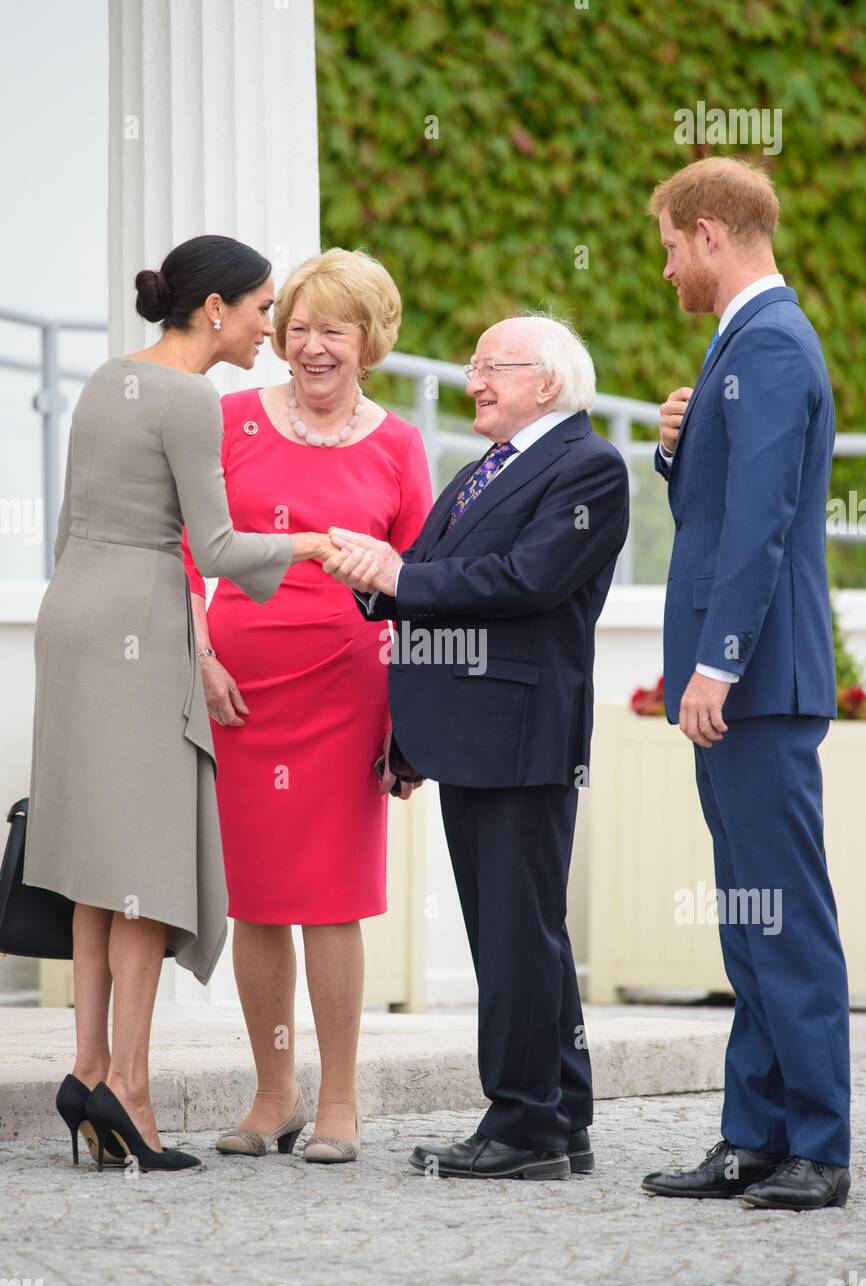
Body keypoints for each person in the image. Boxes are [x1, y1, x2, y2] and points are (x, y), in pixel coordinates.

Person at [26, 235, 336, 1173]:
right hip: (139, 624)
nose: (270, 328)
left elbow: (70, 528)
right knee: (146, 868)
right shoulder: (191, 396)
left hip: (72, 613)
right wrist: (318, 545)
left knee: (92, 862)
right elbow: (222, 545)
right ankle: (131, 1089)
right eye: (261, 309)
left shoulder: (105, 379)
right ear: (213, 310)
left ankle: (89, 1073)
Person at [324, 313, 629, 1180]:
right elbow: (420, 578)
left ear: (549, 381)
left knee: (517, 933)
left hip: (525, 736)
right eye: (474, 365)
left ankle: (522, 1122)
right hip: (472, 735)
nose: (474, 380)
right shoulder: (481, 469)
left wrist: (401, 577)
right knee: (521, 930)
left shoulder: (590, 466)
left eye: (493, 366)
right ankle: (560, 1113)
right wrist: (372, 577)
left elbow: (526, 580)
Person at [181, 248, 432, 1164]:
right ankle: (274, 1091)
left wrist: (412, 711)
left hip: (349, 692)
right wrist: (200, 654)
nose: (311, 346)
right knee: (256, 899)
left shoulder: (401, 443)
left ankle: (341, 1100)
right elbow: (182, 548)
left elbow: (421, 583)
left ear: (369, 340)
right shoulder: (230, 419)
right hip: (239, 691)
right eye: (297, 328)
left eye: (334, 329)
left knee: (331, 900)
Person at [643, 157, 850, 1211]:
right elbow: (723, 503)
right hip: (745, 679)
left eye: (671, 243)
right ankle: (755, 1136)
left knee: (784, 915)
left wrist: (715, 663)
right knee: (747, 911)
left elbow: (766, 523)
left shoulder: (766, 342)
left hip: (756, 680)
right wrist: (677, 451)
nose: (667, 265)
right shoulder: (744, 344)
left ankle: (817, 1141)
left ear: (711, 233)